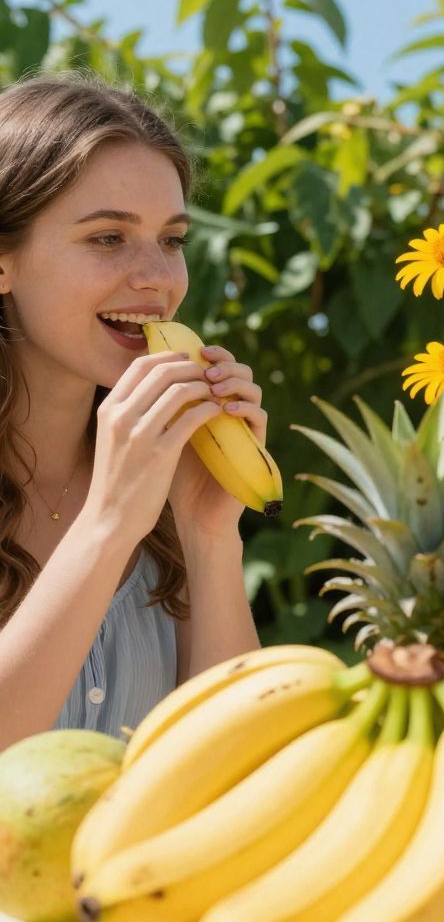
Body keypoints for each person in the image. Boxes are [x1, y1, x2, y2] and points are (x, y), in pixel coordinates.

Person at [0, 74, 270, 749]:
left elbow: (234, 770)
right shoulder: (125, 507)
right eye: (107, 239)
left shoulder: (162, 499)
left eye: (172, 239)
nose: (157, 277)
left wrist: (210, 538)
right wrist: (108, 522)